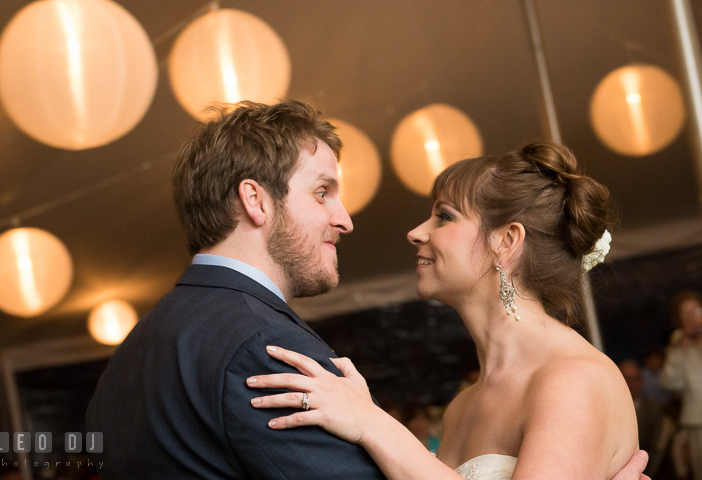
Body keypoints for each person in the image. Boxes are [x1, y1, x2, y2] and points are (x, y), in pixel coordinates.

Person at [246, 142, 649, 479]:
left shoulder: (573, 380)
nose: (416, 232)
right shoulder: (462, 407)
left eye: (444, 216)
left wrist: (373, 423)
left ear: (506, 241)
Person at [86, 100, 386, 478]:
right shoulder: (264, 346)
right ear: (256, 200)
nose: (344, 220)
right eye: (322, 192)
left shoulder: (130, 352)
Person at [661, 291, 702, 480]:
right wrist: (681, 349)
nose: (693, 317)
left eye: (697, 310)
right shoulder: (678, 347)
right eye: (686, 314)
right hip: (697, 422)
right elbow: (670, 383)